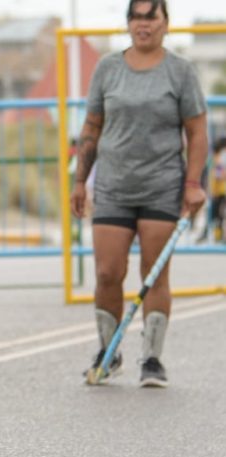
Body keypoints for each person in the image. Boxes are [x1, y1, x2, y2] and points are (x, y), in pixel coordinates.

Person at [70, 0, 208, 387]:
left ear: (165, 24)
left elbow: (197, 131)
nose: (143, 24)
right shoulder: (108, 68)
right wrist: (80, 181)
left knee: (155, 273)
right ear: (128, 23)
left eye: (152, 17)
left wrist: (193, 184)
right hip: (114, 186)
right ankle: (108, 352)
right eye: (136, 17)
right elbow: (92, 127)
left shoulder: (179, 71)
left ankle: (152, 359)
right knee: (107, 272)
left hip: (161, 186)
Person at [197, 137, 225, 243]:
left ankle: (215, 235)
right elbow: (218, 175)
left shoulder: (216, 158)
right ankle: (213, 235)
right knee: (216, 214)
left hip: (219, 191)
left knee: (217, 215)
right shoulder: (217, 158)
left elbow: (218, 175)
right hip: (217, 191)